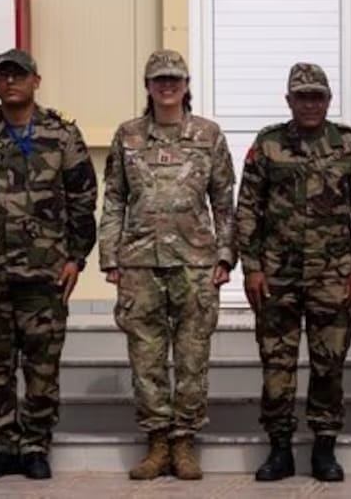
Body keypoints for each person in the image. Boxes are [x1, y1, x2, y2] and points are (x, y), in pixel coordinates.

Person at [0, 49, 97, 480]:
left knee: (42, 366)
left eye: (19, 75)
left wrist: (76, 259)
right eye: (4, 75)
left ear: (36, 80)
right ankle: (3, 447)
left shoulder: (61, 133)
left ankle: (35, 447)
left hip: (45, 273)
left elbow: (84, 199)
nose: (11, 82)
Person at [235, 63, 351, 483]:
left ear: (329, 100)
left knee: (328, 365)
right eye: (302, 97)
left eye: (317, 96)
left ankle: (324, 448)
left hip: (332, 277)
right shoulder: (269, 144)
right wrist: (252, 268)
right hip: (277, 276)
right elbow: (248, 209)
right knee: (276, 365)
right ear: (289, 101)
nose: (310, 104)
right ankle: (279, 450)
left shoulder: (348, 146)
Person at [98, 50, 237, 481]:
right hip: (139, 261)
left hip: (195, 262)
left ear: (186, 84)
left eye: (174, 79)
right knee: (147, 356)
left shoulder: (208, 135)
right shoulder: (128, 136)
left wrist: (225, 254)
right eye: (159, 80)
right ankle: (157, 441)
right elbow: (115, 199)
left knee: (193, 355)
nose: (167, 86)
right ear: (148, 86)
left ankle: (185, 442)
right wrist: (110, 254)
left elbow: (224, 201)